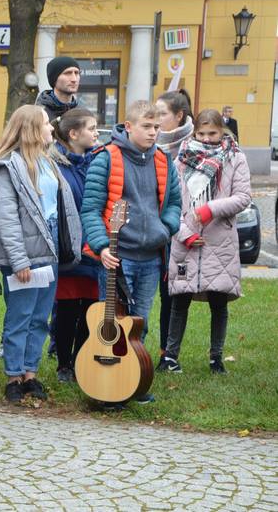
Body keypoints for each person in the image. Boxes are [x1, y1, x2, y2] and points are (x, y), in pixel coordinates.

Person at [80, 100, 182, 404]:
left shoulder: (163, 160)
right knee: (111, 320)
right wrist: (101, 246)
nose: (153, 133)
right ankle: (101, 379)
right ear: (128, 126)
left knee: (139, 323)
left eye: (157, 127)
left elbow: (175, 202)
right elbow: (90, 209)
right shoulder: (106, 159)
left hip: (151, 257)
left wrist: (164, 230)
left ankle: (132, 377)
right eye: (147, 127)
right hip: (116, 257)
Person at [0, 105, 81, 404]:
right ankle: (13, 376)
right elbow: (6, 218)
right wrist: (19, 261)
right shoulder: (8, 166)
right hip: (26, 252)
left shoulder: (50, 162)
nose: (52, 129)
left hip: (49, 248)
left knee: (40, 317)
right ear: (30, 129)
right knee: (20, 315)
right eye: (46, 124)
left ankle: (31, 373)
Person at [160, 109, 251, 374]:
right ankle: (171, 356)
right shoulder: (181, 158)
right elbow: (171, 202)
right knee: (180, 301)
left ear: (222, 131)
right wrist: (184, 232)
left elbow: (243, 197)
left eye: (213, 133)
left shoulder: (235, 157)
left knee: (218, 302)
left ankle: (216, 358)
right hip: (187, 238)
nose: (207, 138)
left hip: (218, 239)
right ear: (194, 132)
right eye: (202, 133)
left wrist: (211, 209)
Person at [52, 108, 100, 383]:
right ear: (73, 134)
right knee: (68, 308)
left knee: (91, 308)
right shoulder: (56, 165)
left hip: (93, 246)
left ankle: (81, 359)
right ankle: (63, 364)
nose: (96, 133)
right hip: (70, 248)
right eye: (91, 128)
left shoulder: (95, 162)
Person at [154, 89, 194, 369]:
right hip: (151, 229)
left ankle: (166, 353)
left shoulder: (194, 145)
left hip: (180, 231)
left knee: (172, 294)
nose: (156, 120)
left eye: (162, 114)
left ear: (179, 116)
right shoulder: (150, 143)